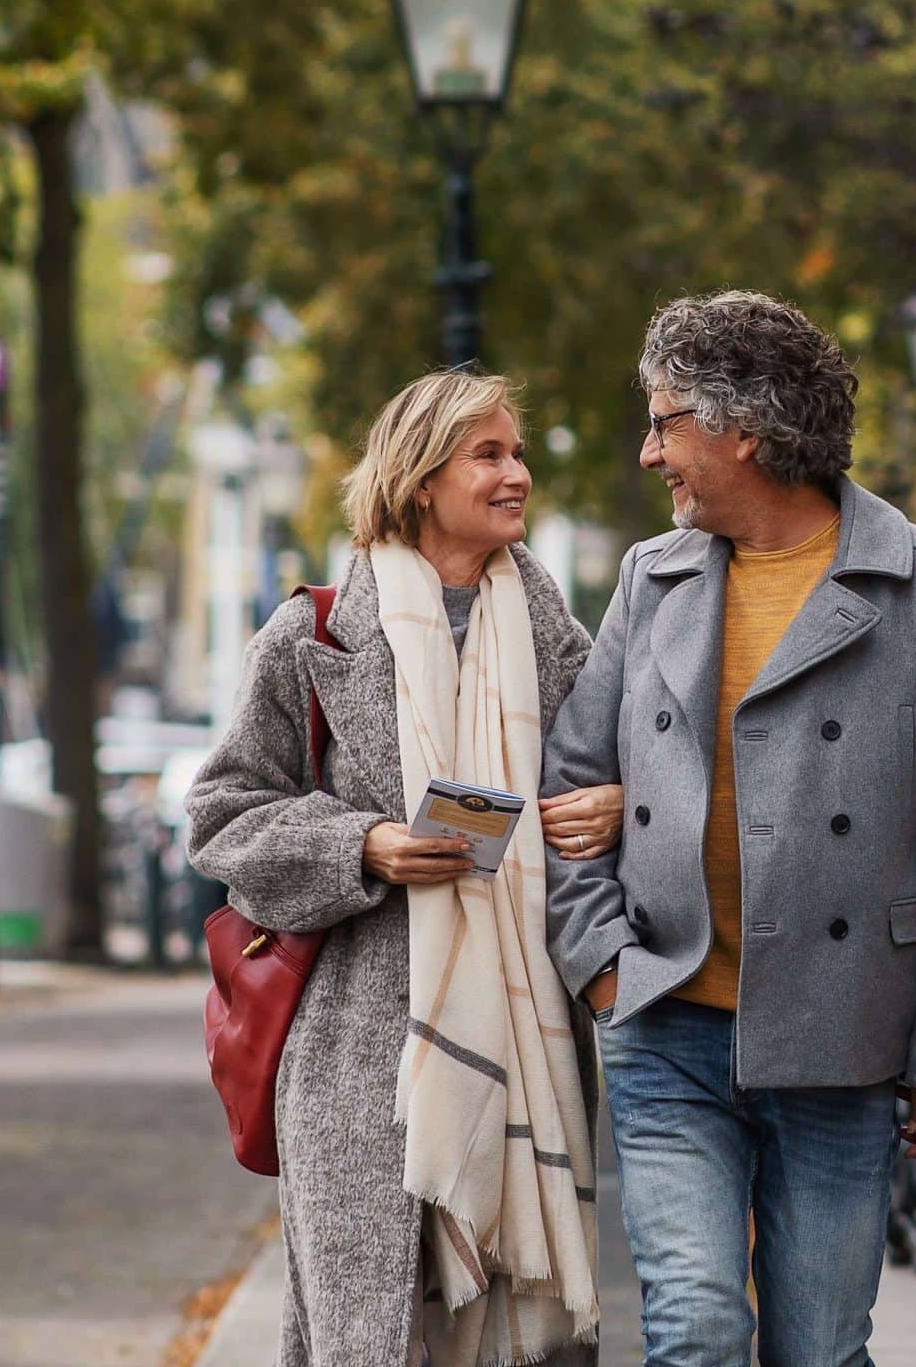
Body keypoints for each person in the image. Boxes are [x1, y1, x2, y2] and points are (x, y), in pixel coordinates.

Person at [543, 291, 916, 1365]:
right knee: (696, 1329)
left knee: (816, 1347)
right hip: (667, 1023)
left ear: (740, 430)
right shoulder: (649, 577)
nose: (647, 452)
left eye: (664, 423)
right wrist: (604, 969)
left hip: (842, 1039)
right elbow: (570, 780)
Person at [189, 370, 626, 1367]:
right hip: (354, 1059)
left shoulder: (562, 643)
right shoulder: (315, 634)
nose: (516, 473)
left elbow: (625, 788)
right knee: (371, 1336)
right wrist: (360, 846)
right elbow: (221, 813)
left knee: (515, 1331)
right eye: (490, 454)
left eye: (518, 453)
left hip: (526, 1050)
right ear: (422, 479)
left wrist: (613, 812)